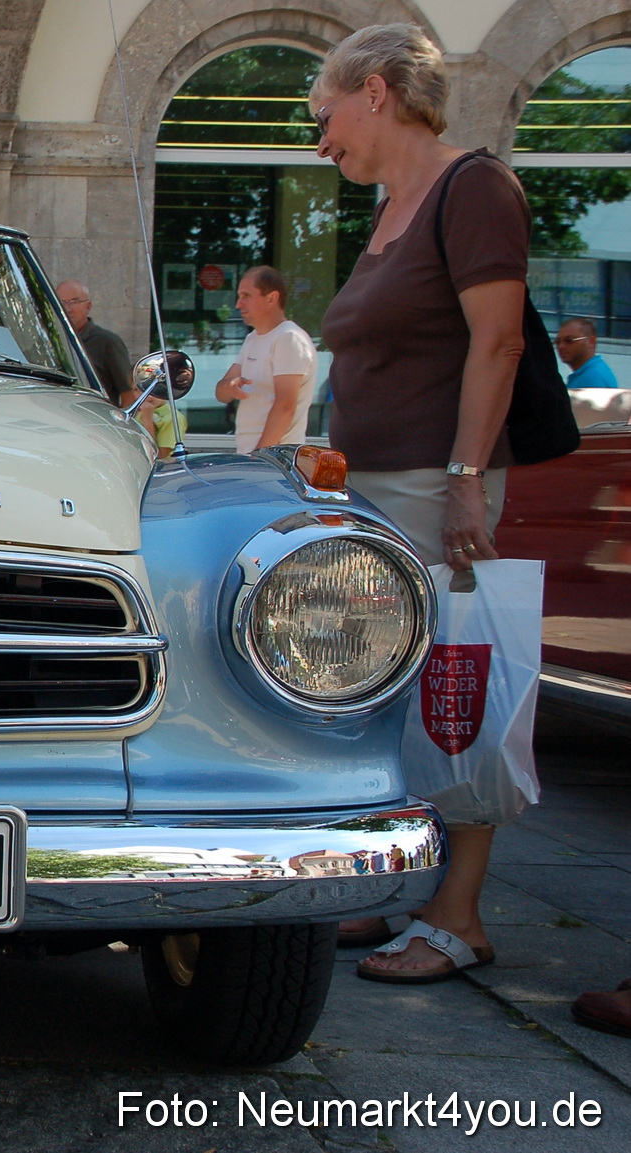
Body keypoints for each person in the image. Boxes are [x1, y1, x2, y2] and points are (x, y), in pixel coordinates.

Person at [312, 24, 531, 983]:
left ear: (375, 91)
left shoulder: (472, 188)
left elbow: (499, 343)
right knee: (388, 689)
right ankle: (405, 886)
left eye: (322, 117)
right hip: (373, 482)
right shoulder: (395, 203)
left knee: (458, 690)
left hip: (435, 484)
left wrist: (468, 478)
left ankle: (459, 915)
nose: (320, 143)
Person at [212, 266, 318, 453]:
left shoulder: (289, 338)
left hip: (276, 460)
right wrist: (230, 387)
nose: (238, 304)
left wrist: (259, 457)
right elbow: (221, 394)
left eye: (246, 295)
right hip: (254, 456)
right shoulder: (253, 338)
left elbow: (286, 406)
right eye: (239, 296)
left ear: (271, 298)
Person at [56, 279, 132, 404]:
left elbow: (129, 394)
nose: (67, 309)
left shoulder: (107, 342)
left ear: (88, 306)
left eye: (74, 302)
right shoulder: (49, 343)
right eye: (61, 303)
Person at [557, 318, 618, 390]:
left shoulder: (594, 376)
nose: (561, 346)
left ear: (591, 342)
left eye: (569, 340)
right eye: (558, 341)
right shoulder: (587, 373)